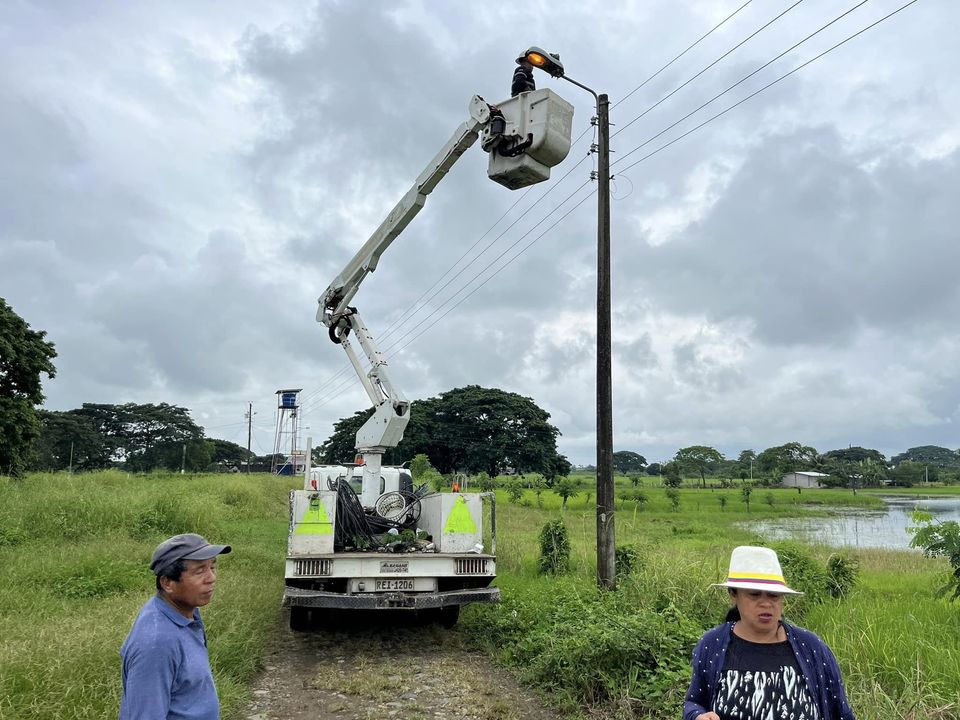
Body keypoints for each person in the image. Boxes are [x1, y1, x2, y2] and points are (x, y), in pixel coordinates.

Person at [683, 545, 856, 720]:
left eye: (774, 595)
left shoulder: (812, 647)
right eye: (754, 595)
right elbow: (694, 701)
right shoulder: (713, 644)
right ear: (733, 594)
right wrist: (697, 716)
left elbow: (841, 712)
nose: (766, 604)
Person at [120, 533, 232, 720]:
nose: (211, 578)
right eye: (200, 571)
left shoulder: (186, 613)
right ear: (167, 583)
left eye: (212, 566)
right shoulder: (156, 643)